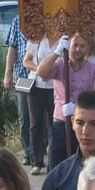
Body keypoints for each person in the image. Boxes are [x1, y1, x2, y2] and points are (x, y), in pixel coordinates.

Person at [36, 33, 95, 171]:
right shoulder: (59, 64)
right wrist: (57, 52)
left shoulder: (94, 71)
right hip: (60, 124)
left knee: (81, 168)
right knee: (55, 167)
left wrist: (77, 109)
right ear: (68, 45)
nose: (78, 49)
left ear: (88, 47)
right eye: (75, 45)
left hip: (83, 126)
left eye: (82, 46)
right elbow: (41, 72)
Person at [23, 33, 59, 175]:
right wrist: (40, 68)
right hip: (36, 85)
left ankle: (54, 160)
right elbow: (26, 61)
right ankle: (36, 162)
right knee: (36, 123)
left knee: (54, 124)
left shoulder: (63, 40)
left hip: (55, 87)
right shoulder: (37, 39)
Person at [2, 15, 32, 165]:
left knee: (42, 117)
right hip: (23, 76)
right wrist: (7, 74)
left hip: (43, 77)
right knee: (24, 116)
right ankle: (28, 152)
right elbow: (12, 48)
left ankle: (40, 151)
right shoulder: (17, 20)